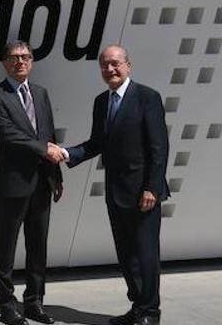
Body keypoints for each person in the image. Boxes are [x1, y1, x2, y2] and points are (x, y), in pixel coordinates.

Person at [49, 44, 169, 325]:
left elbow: (159, 147)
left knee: (146, 254)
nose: (110, 69)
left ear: (128, 65)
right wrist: (67, 154)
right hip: (116, 193)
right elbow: (97, 143)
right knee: (127, 255)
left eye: (115, 63)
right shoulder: (102, 102)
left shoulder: (147, 98)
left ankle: (151, 312)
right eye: (104, 65)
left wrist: (152, 187)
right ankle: (138, 308)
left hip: (143, 193)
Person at [0, 41, 64, 325]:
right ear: (4, 63)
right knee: (4, 248)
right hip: (12, 184)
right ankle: (6, 304)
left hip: (42, 182)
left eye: (26, 57)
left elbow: (49, 133)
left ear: (32, 61)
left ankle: (34, 302)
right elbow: (8, 135)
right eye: (15, 57)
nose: (21, 62)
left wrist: (56, 176)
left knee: (38, 247)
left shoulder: (40, 94)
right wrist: (44, 150)